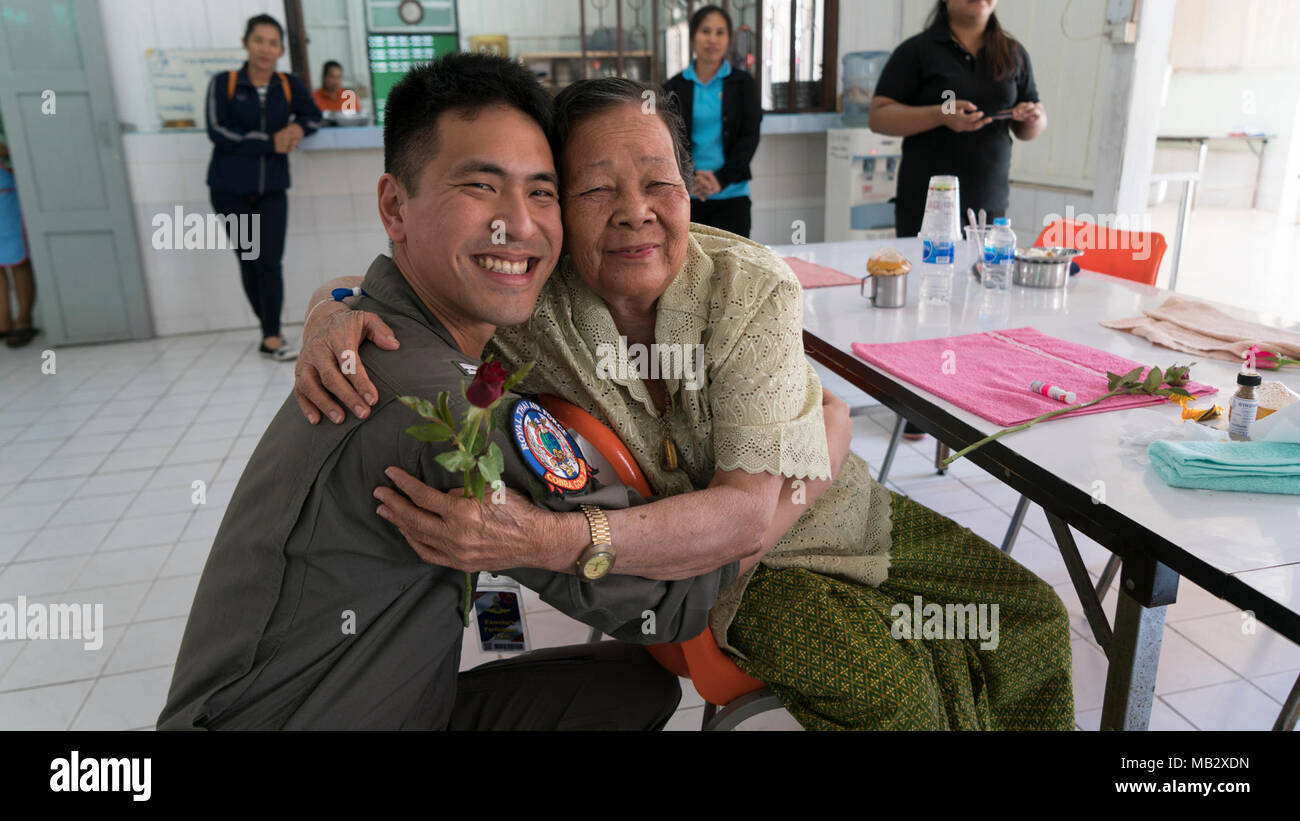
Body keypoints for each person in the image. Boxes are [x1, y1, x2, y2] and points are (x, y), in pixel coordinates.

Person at [297, 76, 1076, 731]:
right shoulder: (532, 306)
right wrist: (331, 309)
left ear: (689, 185)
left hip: (840, 515)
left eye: (659, 181)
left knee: (1029, 618)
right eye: (597, 188)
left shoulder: (747, 285)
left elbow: (746, 510)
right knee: (900, 693)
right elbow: (419, 290)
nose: (636, 210)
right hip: (729, 584)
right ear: (558, 208)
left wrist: (549, 536)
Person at [159, 55, 750, 732]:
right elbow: (668, 602)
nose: (518, 226)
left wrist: (328, 302)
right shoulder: (443, 412)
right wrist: (776, 495)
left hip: (371, 694)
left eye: (542, 191)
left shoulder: (387, 333)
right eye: (481, 185)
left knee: (630, 689)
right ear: (394, 205)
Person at [869, 0, 1046, 440]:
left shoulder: (1012, 53)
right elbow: (879, 116)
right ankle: (915, 406)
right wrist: (939, 116)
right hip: (926, 203)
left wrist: (1032, 118)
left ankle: (969, 397)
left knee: (978, 303)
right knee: (922, 303)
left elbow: (1030, 124)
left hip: (987, 202)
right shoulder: (918, 51)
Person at [206, 14, 322, 362]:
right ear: (246, 42)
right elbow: (218, 132)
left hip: (272, 187)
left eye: (273, 43)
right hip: (229, 188)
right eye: (259, 40)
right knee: (249, 259)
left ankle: (271, 335)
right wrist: (270, 141)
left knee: (270, 261)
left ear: (281, 49)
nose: (265, 49)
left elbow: (314, 115)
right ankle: (267, 330)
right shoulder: (224, 83)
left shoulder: (287, 85)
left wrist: (299, 128)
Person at [662, 5, 761, 238]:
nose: (712, 39)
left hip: (732, 194)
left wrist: (720, 180)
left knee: (734, 271)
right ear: (693, 37)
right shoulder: (673, 87)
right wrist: (691, 178)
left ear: (728, 38)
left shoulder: (743, 84)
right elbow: (669, 141)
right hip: (686, 195)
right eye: (705, 31)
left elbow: (749, 138)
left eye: (720, 32)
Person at [0, 120, 37, 348]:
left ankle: (23, 320)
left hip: (6, 193)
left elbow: (19, 146)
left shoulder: (5, 111)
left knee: (17, 257)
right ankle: (3, 321)